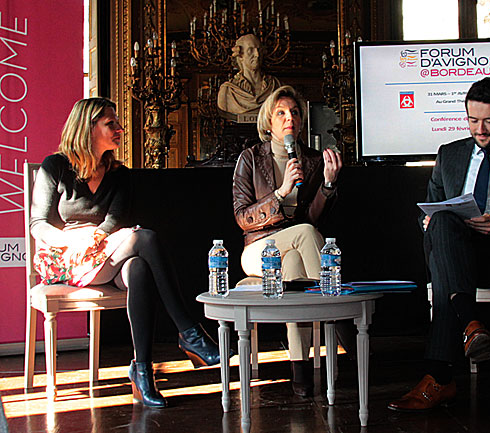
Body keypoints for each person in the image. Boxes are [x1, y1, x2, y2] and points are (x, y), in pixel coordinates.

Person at [30, 97, 224, 408]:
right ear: (88, 127)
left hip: (103, 251)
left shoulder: (119, 174)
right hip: (65, 256)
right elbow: (38, 224)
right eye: (111, 124)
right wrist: (73, 242)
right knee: (144, 238)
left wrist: (98, 237)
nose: (120, 129)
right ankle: (190, 333)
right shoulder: (55, 167)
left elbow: (114, 220)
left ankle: (142, 371)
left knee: (139, 269)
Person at [388, 77, 490, 411]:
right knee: (443, 222)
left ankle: (440, 376)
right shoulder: (449, 155)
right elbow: (428, 211)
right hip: (455, 247)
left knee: (446, 267)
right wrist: (429, 223)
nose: (480, 129)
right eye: (473, 120)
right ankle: (469, 325)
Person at [232, 85, 342, 396]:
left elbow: (314, 218)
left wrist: (328, 184)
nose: (289, 118)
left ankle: (300, 369)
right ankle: (338, 314)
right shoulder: (250, 158)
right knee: (305, 233)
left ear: (302, 121)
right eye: (280, 113)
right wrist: (280, 193)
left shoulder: (312, 160)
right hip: (258, 249)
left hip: (296, 248)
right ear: (268, 122)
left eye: (294, 112)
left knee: (294, 264)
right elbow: (242, 217)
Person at [217, 34, 282, 116]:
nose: (257, 55)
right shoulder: (228, 91)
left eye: (259, 50)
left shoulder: (275, 86)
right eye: (250, 50)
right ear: (240, 55)